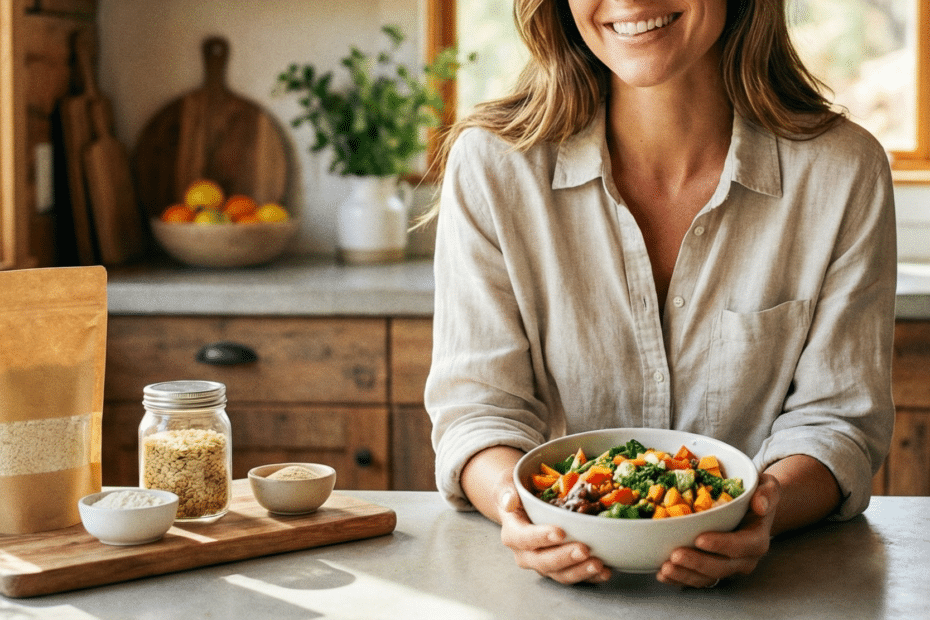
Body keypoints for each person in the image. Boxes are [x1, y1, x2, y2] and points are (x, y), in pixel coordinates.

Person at [422, 0, 896, 588]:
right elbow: (478, 411)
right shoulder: (492, 166)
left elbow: (839, 423)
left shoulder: (844, 170)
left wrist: (759, 515)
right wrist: (521, 510)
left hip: (774, 591)